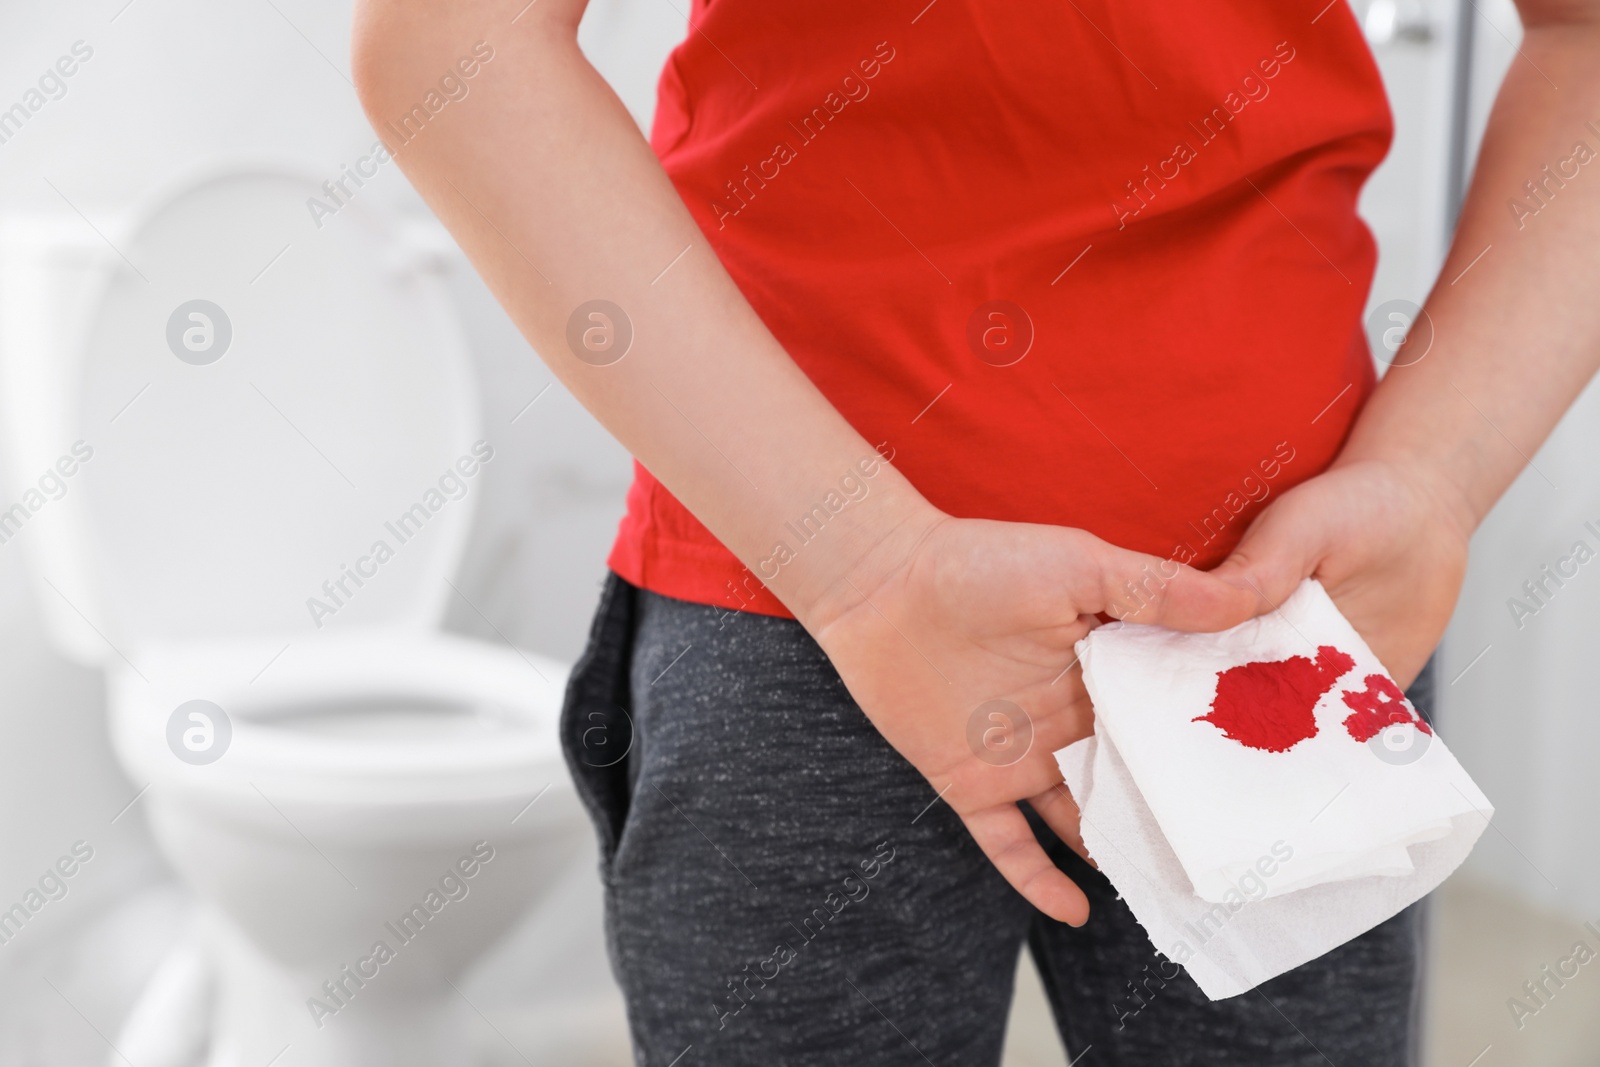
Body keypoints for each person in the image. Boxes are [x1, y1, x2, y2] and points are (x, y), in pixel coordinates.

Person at [352, 1, 1600, 1062]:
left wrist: (1432, 478)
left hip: (1285, 624)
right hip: (804, 598)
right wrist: (862, 569)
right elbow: (448, 41)